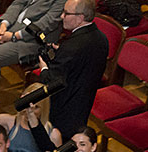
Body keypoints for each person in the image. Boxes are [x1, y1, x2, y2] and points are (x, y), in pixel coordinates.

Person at [37, 0, 108, 137]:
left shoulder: (71, 46)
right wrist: (61, 52)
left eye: (66, 13)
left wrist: (44, 68)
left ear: (80, 17)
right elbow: (81, 62)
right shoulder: (101, 38)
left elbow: (51, 82)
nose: (62, 16)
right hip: (83, 104)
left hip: (64, 109)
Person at [0, 0, 64, 81]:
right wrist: (4, 25)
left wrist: (14, 36)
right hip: (13, 26)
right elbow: (17, 3)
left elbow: (46, 24)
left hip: (32, 40)